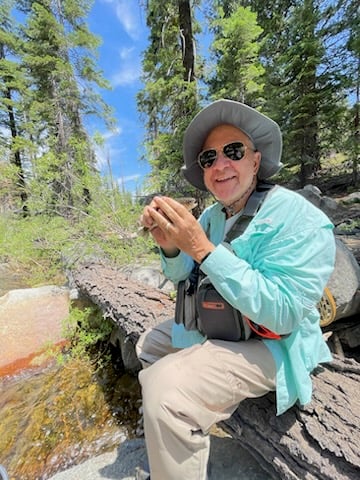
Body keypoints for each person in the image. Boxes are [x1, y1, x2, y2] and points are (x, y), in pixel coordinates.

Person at [136, 99, 336, 480]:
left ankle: (172, 418)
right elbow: (184, 277)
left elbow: (285, 312)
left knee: (164, 388)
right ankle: (168, 437)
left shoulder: (300, 218)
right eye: (209, 158)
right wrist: (169, 244)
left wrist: (202, 247)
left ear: (256, 161)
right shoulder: (211, 217)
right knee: (150, 343)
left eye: (233, 151)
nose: (220, 164)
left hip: (274, 344)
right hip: (219, 327)